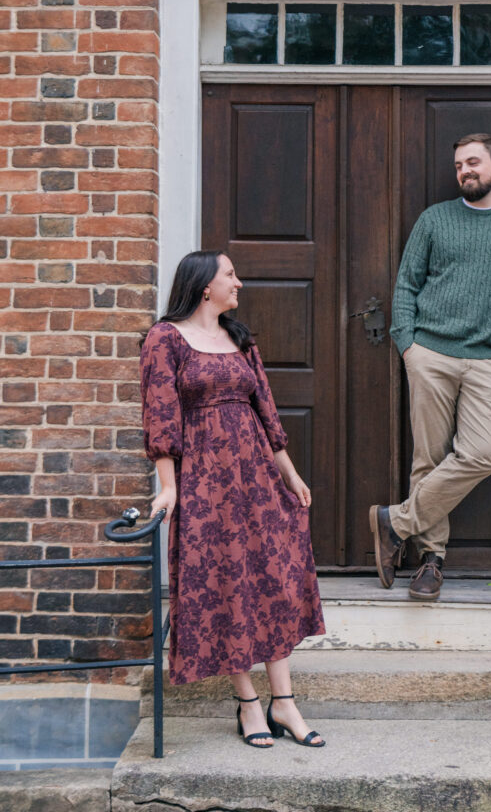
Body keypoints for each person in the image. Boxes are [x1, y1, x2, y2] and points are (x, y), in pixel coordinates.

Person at [140, 250, 326, 749]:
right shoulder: (165, 339)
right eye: (230, 275)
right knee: (225, 582)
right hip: (205, 481)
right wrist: (168, 486)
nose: (238, 283)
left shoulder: (240, 339)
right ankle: (248, 703)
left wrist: (290, 474)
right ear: (205, 285)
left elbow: (265, 410)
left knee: (273, 576)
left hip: (258, 478)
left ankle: (283, 702)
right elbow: (161, 415)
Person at [370, 134, 491, 600]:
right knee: (428, 457)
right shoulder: (435, 219)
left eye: (473, 162)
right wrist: (407, 345)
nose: (465, 171)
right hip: (431, 354)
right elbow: (406, 284)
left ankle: (395, 522)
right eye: (458, 166)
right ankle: (431, 562)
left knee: (484, 453)